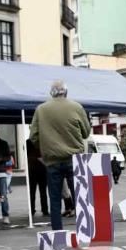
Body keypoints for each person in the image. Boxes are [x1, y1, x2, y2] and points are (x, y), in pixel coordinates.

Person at [29, 80, 91, 230]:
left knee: (55, 199)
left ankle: (58, 233)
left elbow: (33, 137)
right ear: (66, 91)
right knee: (80, 196)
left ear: (52, 92)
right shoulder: (76, 107)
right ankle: (85, 230)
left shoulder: (41, 109)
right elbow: (86, 132)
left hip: (52, 161)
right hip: (74, 159)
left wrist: (45, 148)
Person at [26, 139, 49, 216]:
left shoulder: (30, 141)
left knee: (39, 192)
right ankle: (40, 210)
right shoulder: (39, 140)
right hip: (36, 169)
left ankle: (40, 210)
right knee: (38, 192)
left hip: (37, 169)